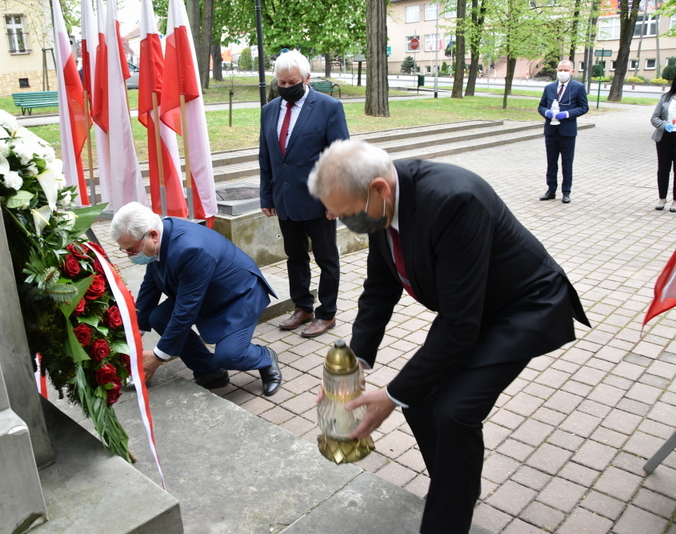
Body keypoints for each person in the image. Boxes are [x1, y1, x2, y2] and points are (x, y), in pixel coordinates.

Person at [307, 140, 590, 534]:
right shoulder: (377, 205)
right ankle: (454, 487)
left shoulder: (455, 200)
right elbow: (379, 289)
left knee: (454, 412)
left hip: (523, 307)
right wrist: (355, 366)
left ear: (379, 189)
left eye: (346, 214)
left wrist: (390, 396)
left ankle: (446, 517)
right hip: (472, 306)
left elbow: (459, 326)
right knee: (417, 400)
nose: (343, 223)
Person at [109, 202, 282, 396]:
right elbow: (149, 289)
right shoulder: (158, 238)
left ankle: (265, 357)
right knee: (158, 317)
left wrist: (157, 357)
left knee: (230, 355)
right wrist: (133, 336)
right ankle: (210, 370)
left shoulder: (190, 249)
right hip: (202, 292)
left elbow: (185, 310)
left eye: (132, 250)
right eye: (125, 250)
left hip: (237, 296)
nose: (130, 256)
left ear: (153, 235)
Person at [259, 50, 349, 338]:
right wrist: (266, 196)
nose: (286, 87)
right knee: (295, 256)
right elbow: (266, 157)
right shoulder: (269, 110)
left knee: (326, 259)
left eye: (292, 82)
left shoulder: (329, 107)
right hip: (285, 201)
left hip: (320, 201)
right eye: (281, 83)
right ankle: (303, 307)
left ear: (307, 78)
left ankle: (327, 313)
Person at [537, 59, 589, 204]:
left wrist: (567, 114)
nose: (562, 73)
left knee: (567, 162)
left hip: (567, 131)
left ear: (572, 71)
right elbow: (541, 106)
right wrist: (546, 112)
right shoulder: (549, 88)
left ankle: (566, 192)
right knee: (551, 162)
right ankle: (551, 190)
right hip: (551, 131)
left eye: (566, 70)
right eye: (560, 70)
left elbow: (584, 107)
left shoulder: (578, 87)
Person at [651, 77, 676, 211]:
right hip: (665, 137)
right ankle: (662, 198)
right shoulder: (665, 98)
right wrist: (663, 125)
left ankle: (675, 200)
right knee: (663, 169)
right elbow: (654, 117)